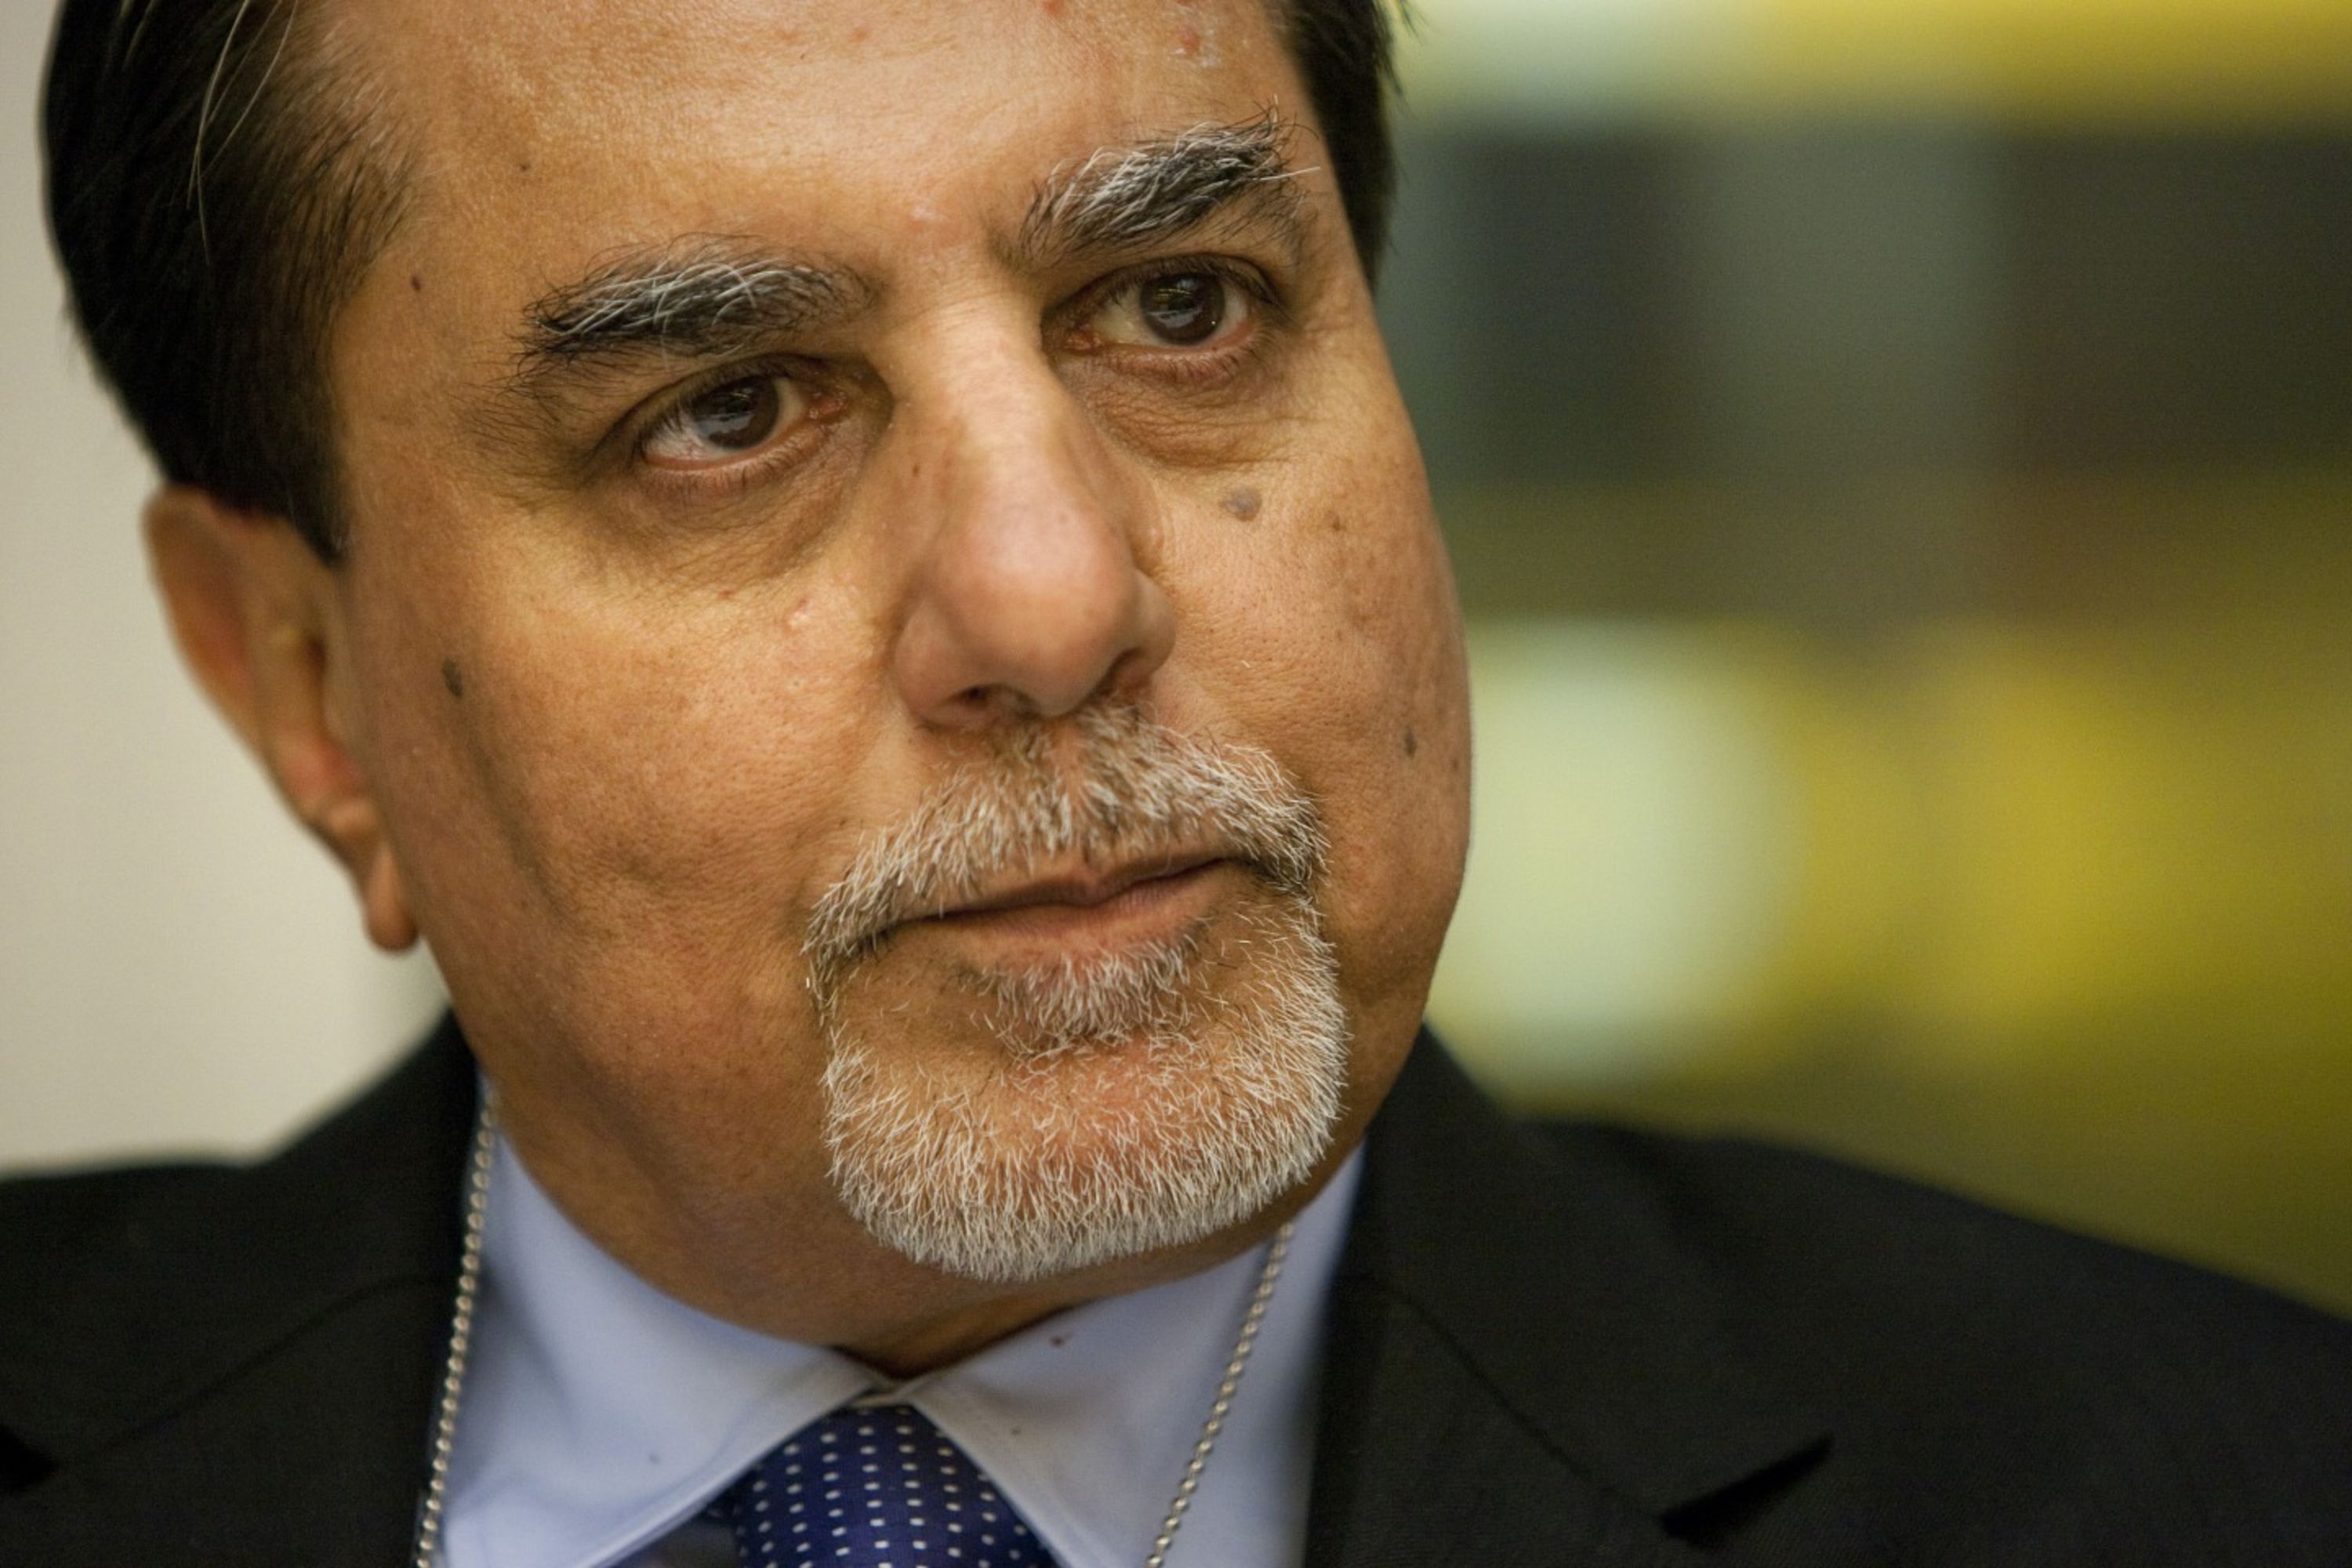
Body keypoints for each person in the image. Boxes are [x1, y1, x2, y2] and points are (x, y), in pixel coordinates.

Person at [5, 0, 2349, 1563]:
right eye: (724, 414)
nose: (1051, 601)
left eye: (1181, 305)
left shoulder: (2228, 1494)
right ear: (302, 682)